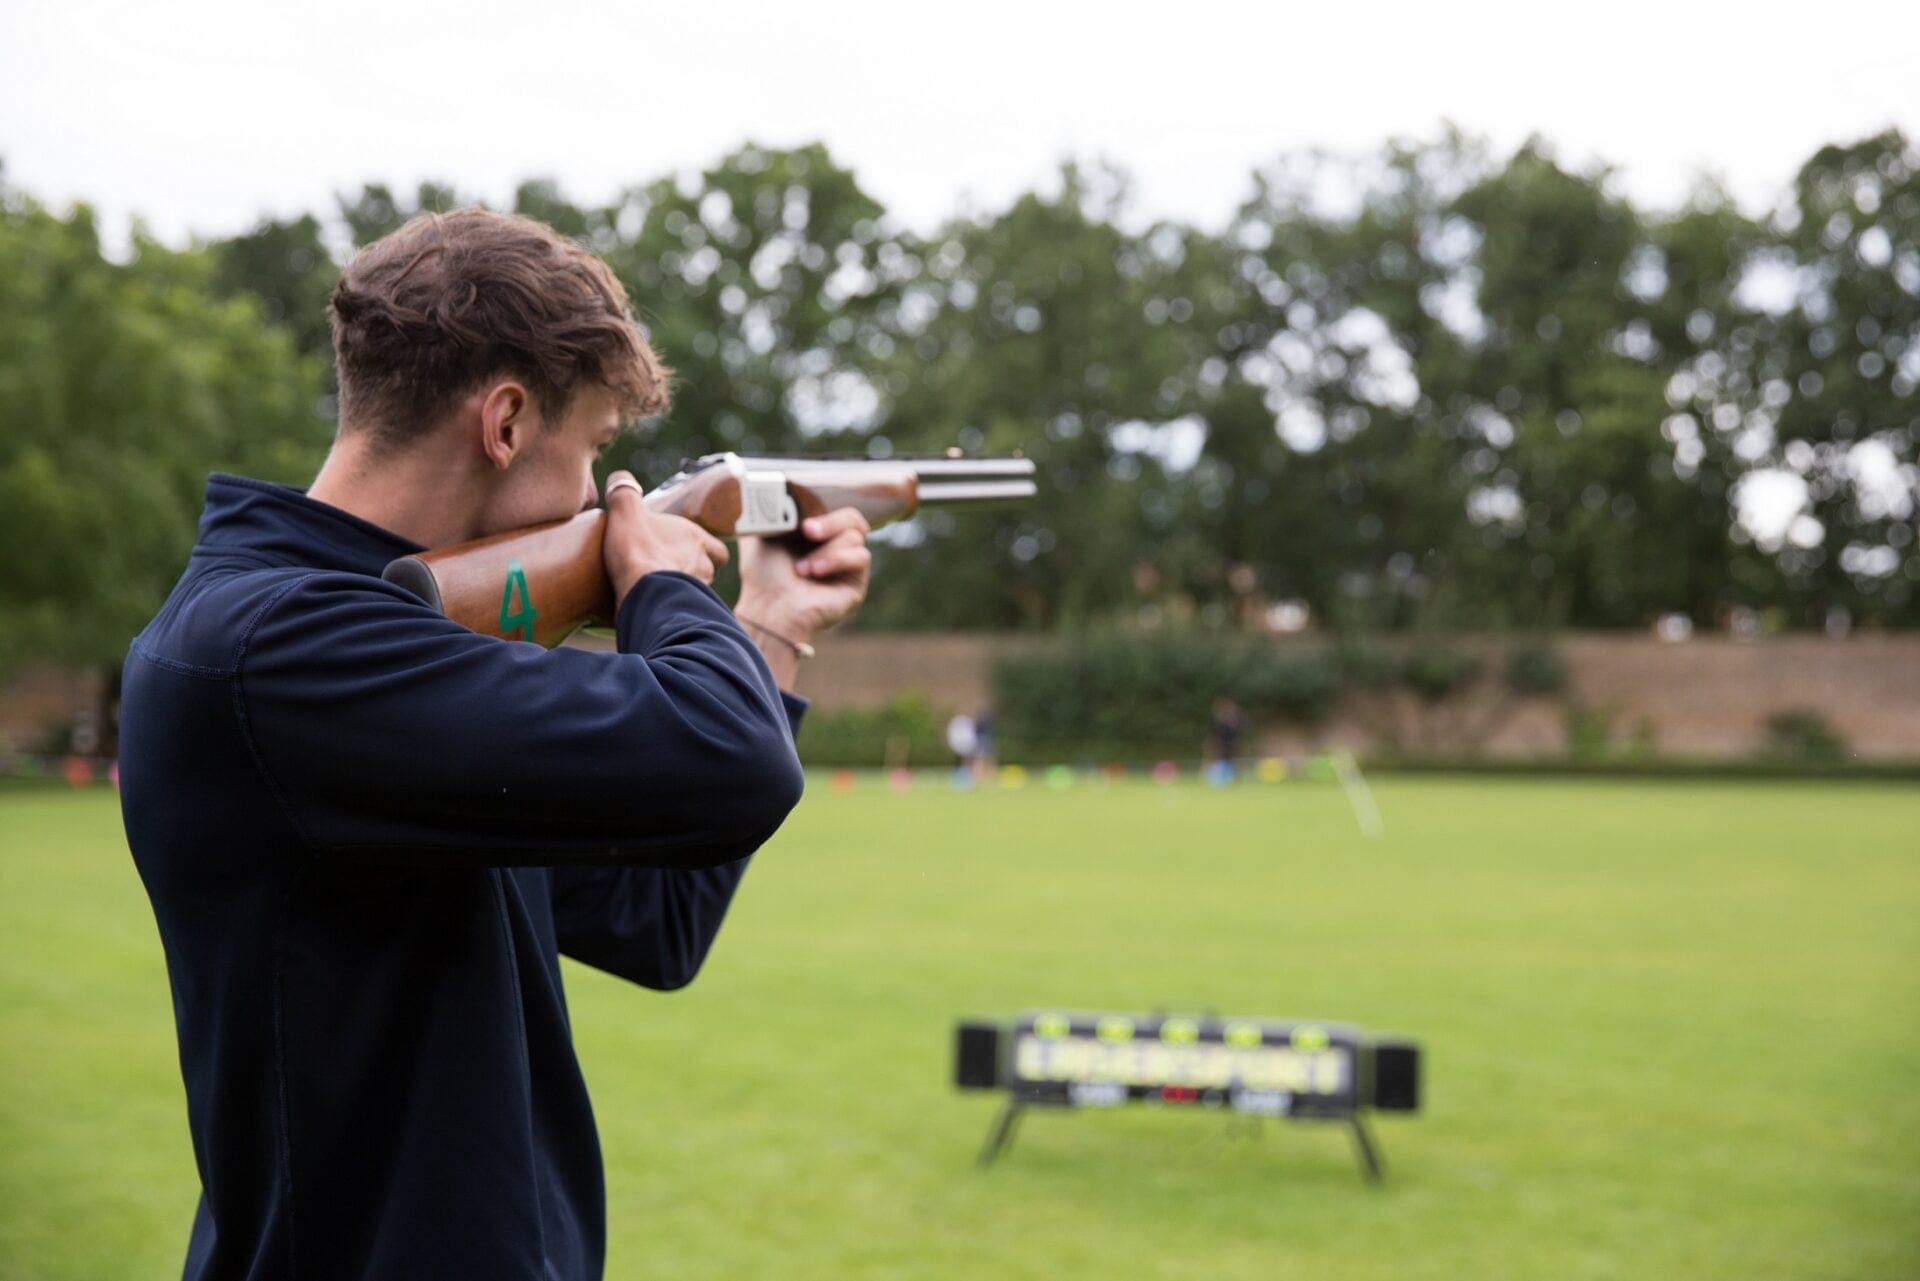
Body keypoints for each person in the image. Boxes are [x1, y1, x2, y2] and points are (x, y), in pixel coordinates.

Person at [117, 208, 872, 1280]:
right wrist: (657, 577)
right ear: (508, 422)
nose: (594, 497)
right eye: (595, 452)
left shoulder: (381, 651)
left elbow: (655, 921)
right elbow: (734, 759)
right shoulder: (282, 647)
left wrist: (771, 625)